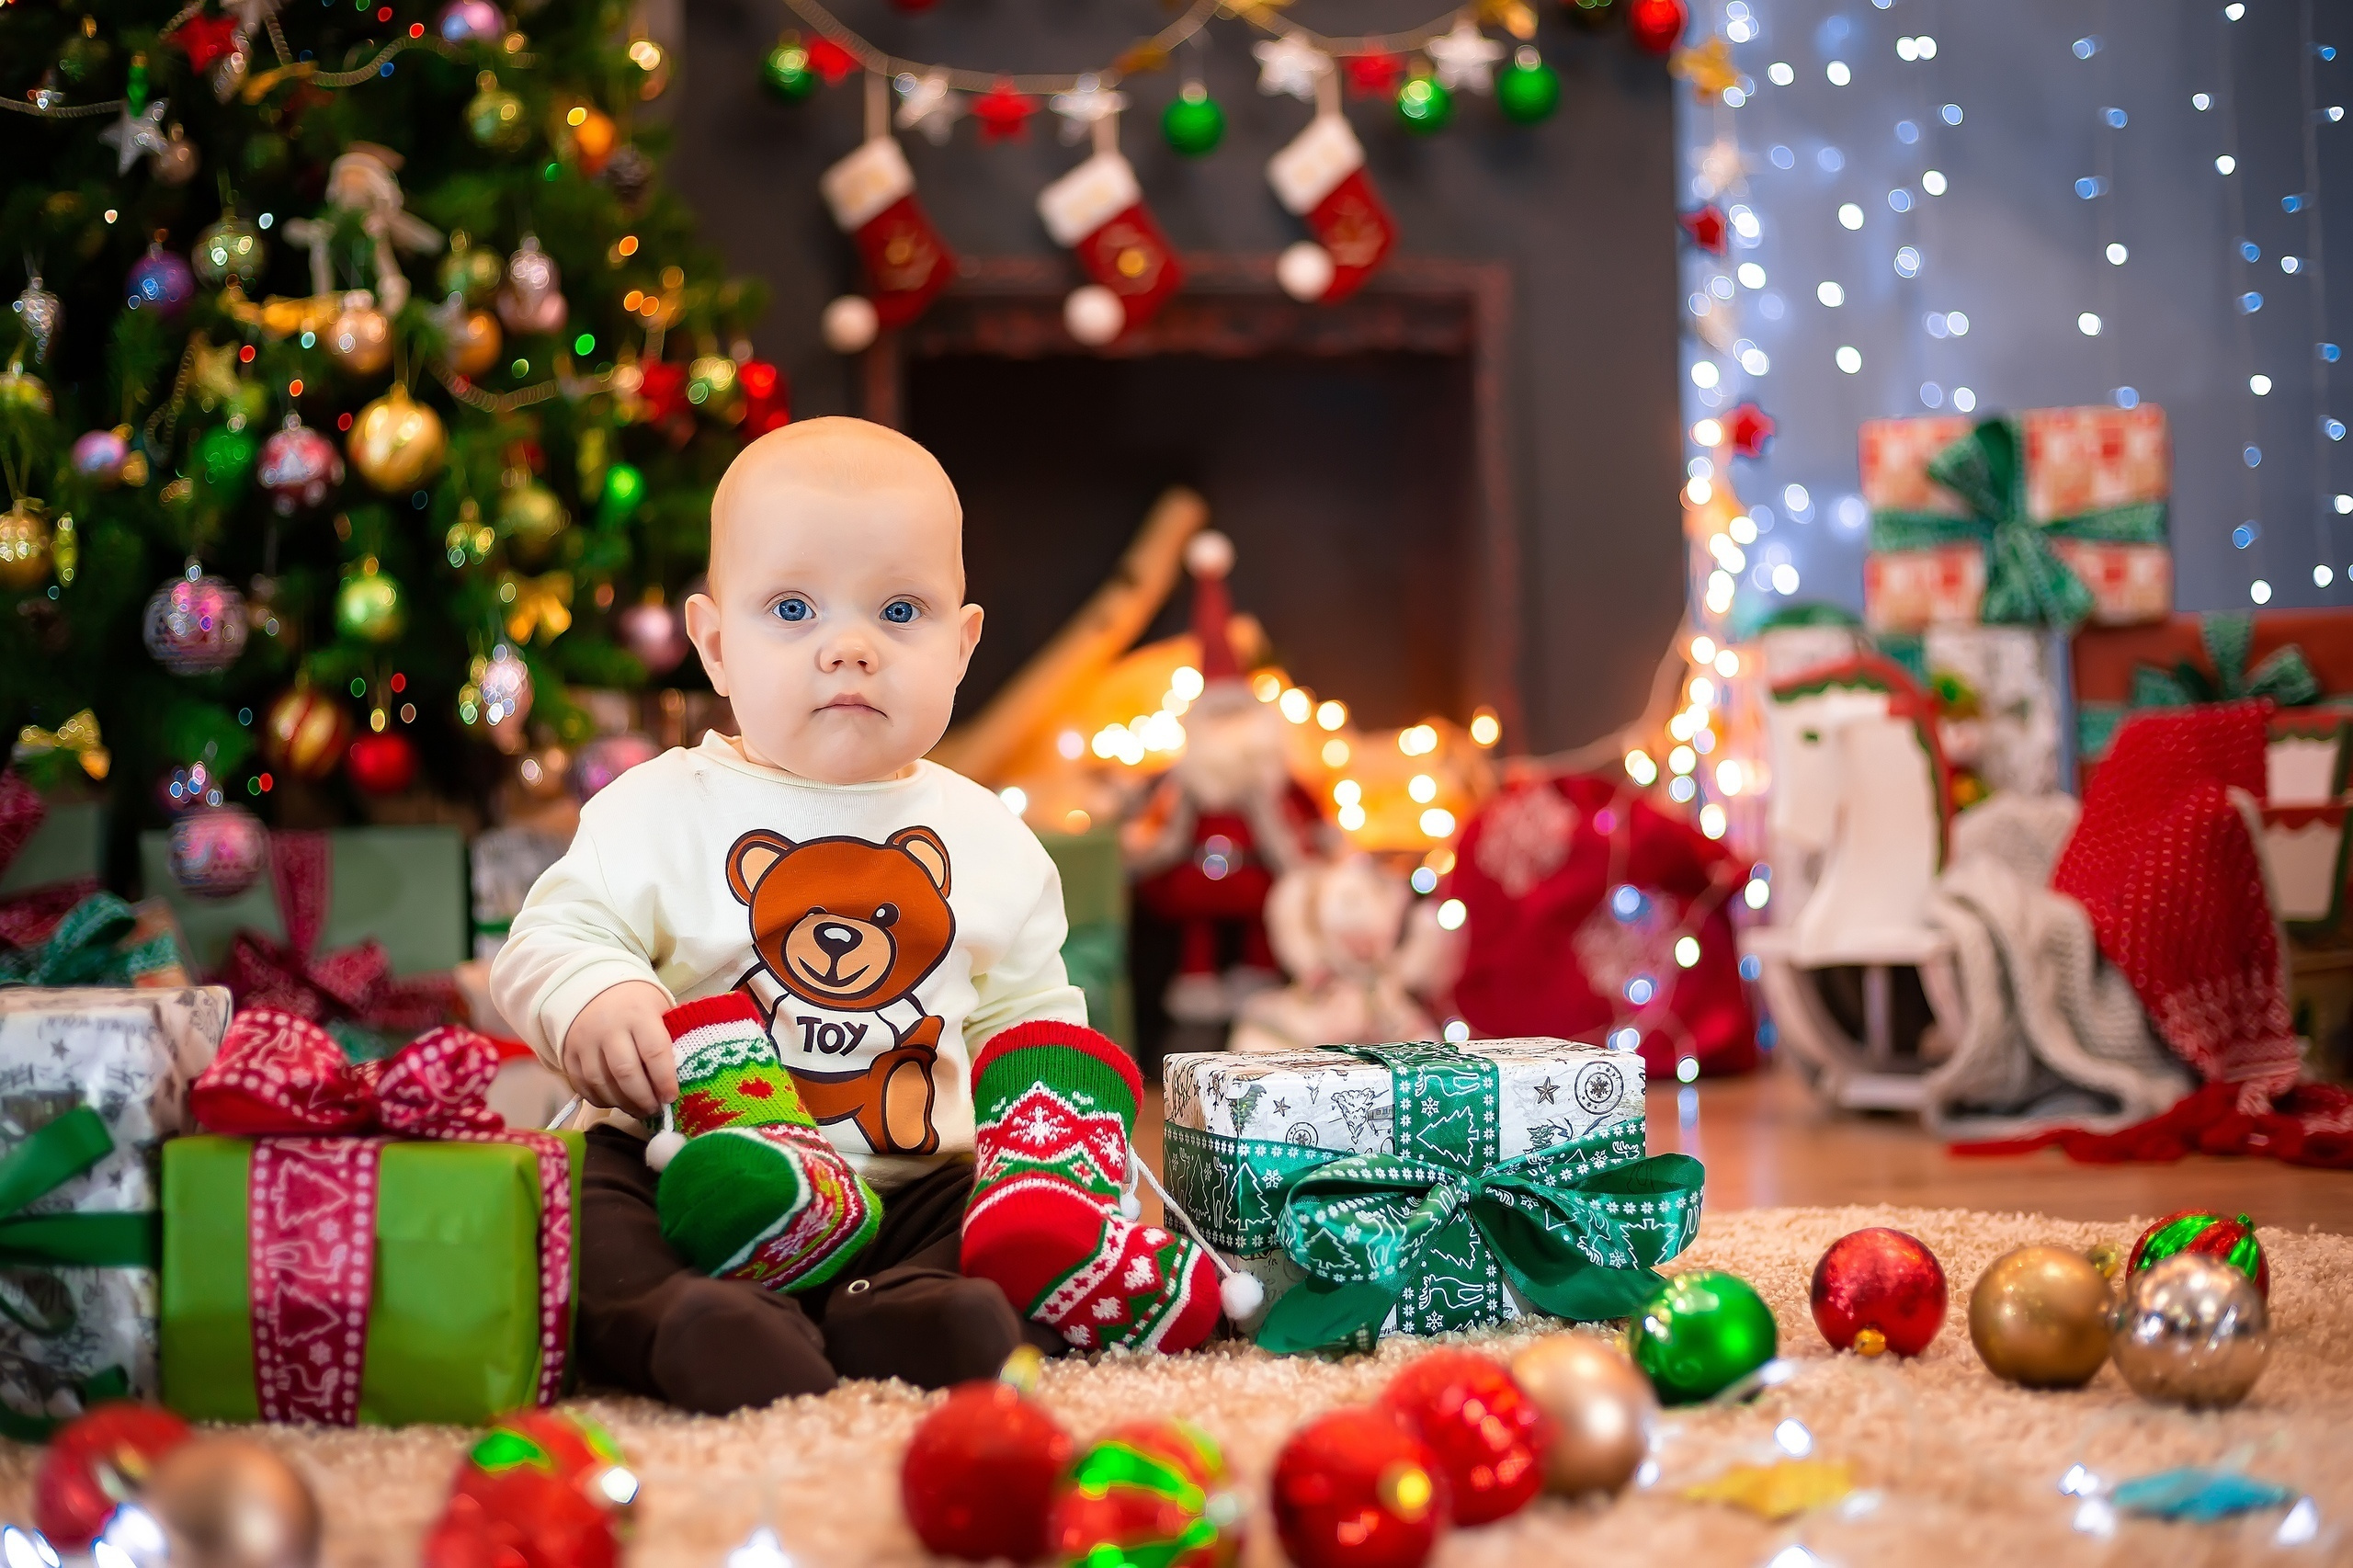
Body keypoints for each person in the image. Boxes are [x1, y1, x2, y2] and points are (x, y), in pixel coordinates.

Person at [491, 418, 1219, 1412]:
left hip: (910, 1179)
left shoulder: (988, 838)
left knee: (986, 1209)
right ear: (714, 645)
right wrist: (597, 997)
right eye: (792, 608)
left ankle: (911, 1310)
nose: (849, 647)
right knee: (590, 1202)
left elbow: (1028, 1021)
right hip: (690, 1167)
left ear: (961, 645)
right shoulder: (658, 806)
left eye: (899, 609)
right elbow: (549, 937)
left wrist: (1054, 1151)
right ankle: (687, 1319)